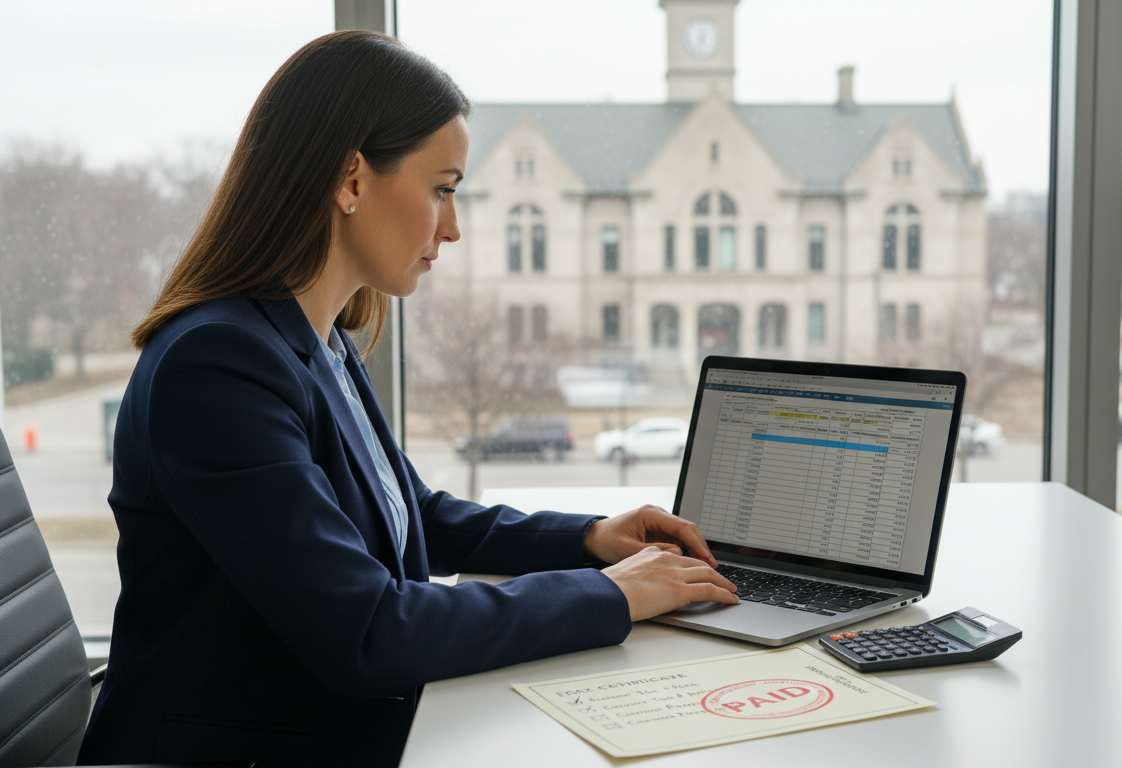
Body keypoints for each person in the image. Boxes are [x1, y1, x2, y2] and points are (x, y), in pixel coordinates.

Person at [77, 30, 737, 768]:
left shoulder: (316, 338)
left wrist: (587, 540)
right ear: (351, 179)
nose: (451, 228)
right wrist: (613, 597)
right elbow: (367, 630)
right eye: (442, 189)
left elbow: (412, 515)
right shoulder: (217, 366)